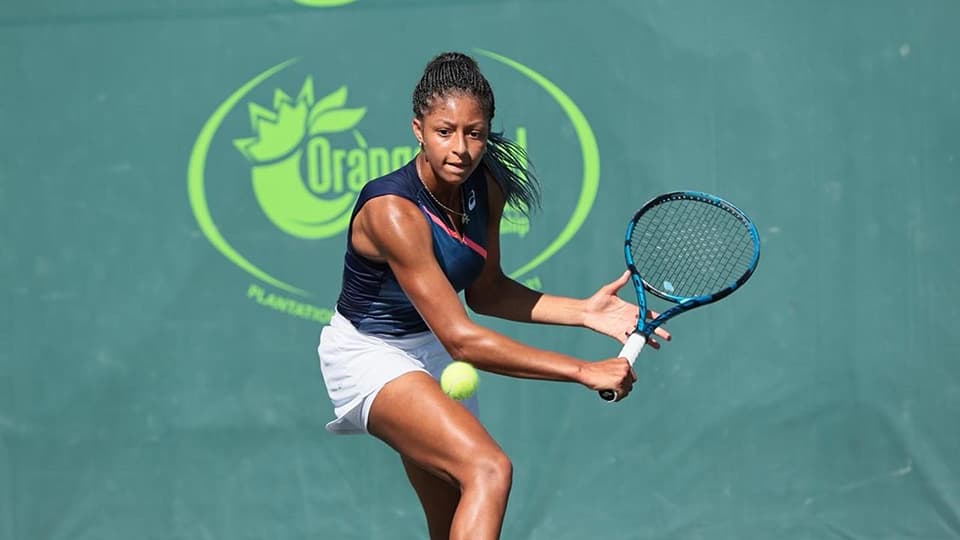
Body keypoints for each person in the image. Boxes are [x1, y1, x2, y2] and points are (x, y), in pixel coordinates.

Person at [317, 51, 671, 540]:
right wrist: (583, 370)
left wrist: (583, 312)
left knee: (454, 517)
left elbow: (487, 291)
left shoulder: (485, 186)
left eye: (474, 133)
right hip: (371, 353)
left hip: (432, 348)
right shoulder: (393, 212)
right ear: (418, 128)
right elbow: (463, 340)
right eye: (445, 131)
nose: (460, 148)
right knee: (488, 469)